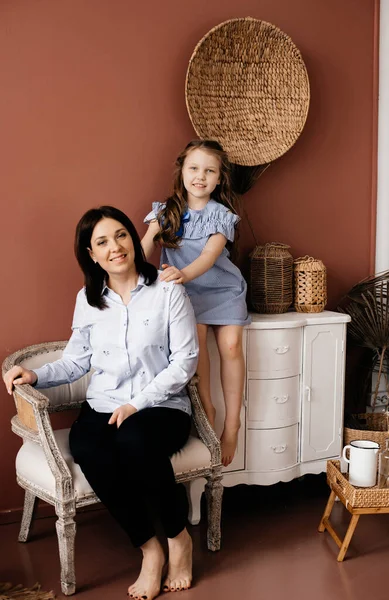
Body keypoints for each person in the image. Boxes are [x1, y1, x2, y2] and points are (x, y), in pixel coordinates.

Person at [3, 206, 199, 600]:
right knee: (89, 448)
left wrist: (138, 404)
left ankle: (179, 539)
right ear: (92, 255)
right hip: (104, 406)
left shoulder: (168, 291)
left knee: (134, 441)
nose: (116, 247)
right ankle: (149, 548)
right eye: (102, 242)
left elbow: (185, 361)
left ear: (133, 238)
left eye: (121, 235)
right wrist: (35, 375)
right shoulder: (89, 299)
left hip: (162, 407)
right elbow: (78, 360)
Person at [141, 139, 250, 468]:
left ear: (219, 178)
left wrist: (181, 274)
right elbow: (143, 245)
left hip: (221, 288)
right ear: (182, 171)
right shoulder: (165, 212)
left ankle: (232, 424)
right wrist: (132, 277)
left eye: (209, 170)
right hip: (186, 295)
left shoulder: (222, 215)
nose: (200, 176)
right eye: (194, 168)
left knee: (230, 346)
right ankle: (207, 411)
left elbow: (209, 256)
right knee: (197, 343)